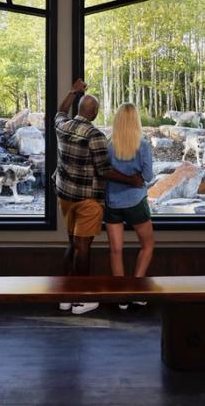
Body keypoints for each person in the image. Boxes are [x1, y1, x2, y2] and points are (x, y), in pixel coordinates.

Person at [54, 79, 144, 315]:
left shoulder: (62, 126)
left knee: (72, 243)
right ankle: (83, 298)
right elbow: (105, 170)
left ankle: (65, 296)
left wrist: (74, 91)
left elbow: (60, 111)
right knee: (84, 246)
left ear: (80, 109)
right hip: (87, 201)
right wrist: (132, 180)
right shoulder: (95, 135)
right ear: (94, 114)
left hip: (65, 196)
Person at [104, 103, 154, 310]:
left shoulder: (108, 145)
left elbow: (104, 172)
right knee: (148, 245)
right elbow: (148, 176)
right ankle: (137, 289)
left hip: (112, 202)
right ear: (136, 121)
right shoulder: (142, 145)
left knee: (116, 250)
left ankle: (121, 296)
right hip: (135, 202)